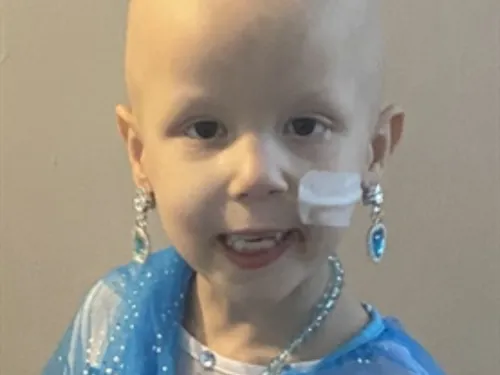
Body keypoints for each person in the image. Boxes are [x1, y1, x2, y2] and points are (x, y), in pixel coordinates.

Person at [42, 0, 447, 374]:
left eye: (305, 126)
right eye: (205, 128)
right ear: (140, 154)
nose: (255, 176)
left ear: (373, 152)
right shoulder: (109, 320)